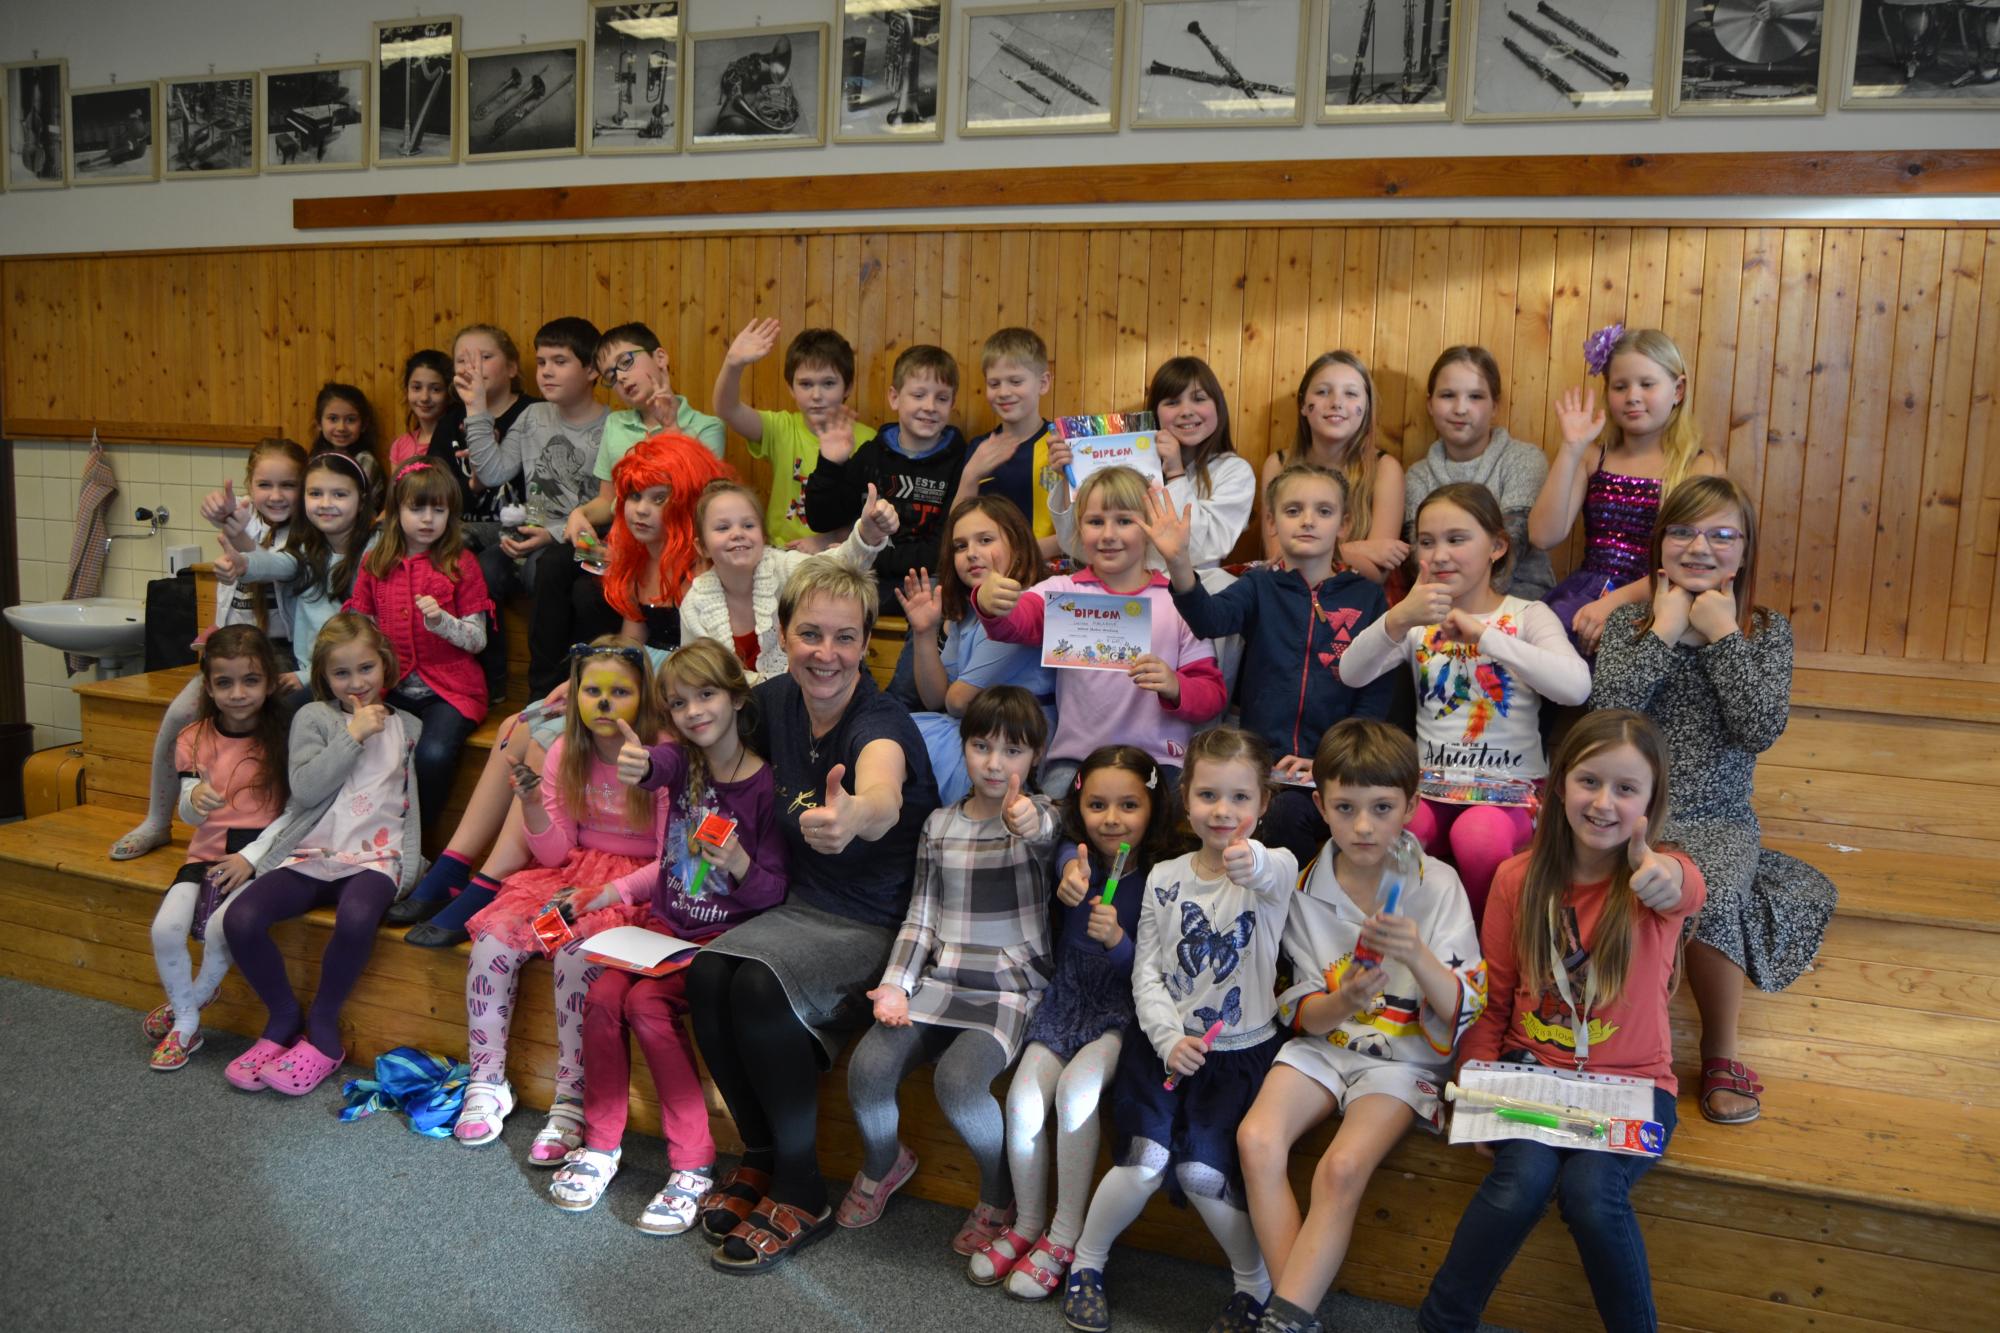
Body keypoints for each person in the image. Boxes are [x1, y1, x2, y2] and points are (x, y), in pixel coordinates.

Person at [680, 558, 939, 1274]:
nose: (827, 653)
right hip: (797, 907)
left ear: (866, 644)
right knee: (707, 974)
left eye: (846, 637)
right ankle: (761, 1156)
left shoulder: (880, 722)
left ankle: (802, 1189)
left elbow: (882, 790)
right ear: (783, 634)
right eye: (811, 634)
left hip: (875, 924)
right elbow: (701, 708)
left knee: (758, 987)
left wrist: (856, 814)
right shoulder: (774, 702)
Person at [1418, 709, 1704, 1333]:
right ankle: (1441, 1323)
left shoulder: (1656, 881)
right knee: (1520, 1180)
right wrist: (1474, 1083)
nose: (1603, 803)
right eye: (1589, 781)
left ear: (1650, 804)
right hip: (1532, 1074)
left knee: (1593, 1196)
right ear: (1558, 784)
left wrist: (1670, 874)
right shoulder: (1515, 880)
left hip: (1638, 1087)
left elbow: (1689, 887)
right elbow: (1493, 1002)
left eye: (1626, 789)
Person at [396, 434, 729, 944]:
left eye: (659, 498)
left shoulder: (702, 569)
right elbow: (629, 647)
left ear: (687, 501)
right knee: (518, 725)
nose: (641, 510)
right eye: (634, 496)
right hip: (635, 684)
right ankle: (454, 864)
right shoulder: (637, 557)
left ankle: (488, 879)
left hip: (675, 701)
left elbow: (698, 668)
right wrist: (581, 683)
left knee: (543, 739)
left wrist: (607, 690)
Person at [1590, 476, 1835, 1126]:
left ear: (1744, 551)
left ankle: (1720, 1052)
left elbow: (1759, 728)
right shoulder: (1629, 624)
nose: (1699, 547)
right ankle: (1600, 1043)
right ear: (1660, 544)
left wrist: (1724, 635)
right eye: (1683, 531)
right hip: (1630, 813)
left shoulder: (1764, 631)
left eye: (1721, 535)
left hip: (1719, 818)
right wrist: (1665, 631)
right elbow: (1608, 717)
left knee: (1716, 889)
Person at [1237, 719, 1485, 1333]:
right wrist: (1344, 998)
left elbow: (1462, 1007)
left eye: (1382, 808)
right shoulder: (1305, 888)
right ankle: (1292, 1317)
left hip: (1403, 1062)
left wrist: (1416, 953)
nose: (1364, 826)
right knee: (1256, 1140)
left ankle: (1284, 1316)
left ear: (1412, 806)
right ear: (1321, 807)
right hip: (1324, 1048)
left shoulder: (1439, 886)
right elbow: (1301, 1014)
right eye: (1345, 808)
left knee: (1342, 1169)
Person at [1064, 728, 1297, 1333]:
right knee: (1143, 1162)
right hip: (1162, 1047)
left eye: (1240, 798)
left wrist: (1250, 858)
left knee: (1200, 1174)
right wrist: (1168, 1040)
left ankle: (1253, 1286)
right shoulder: (1165, 876)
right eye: (1208, 795)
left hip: (1239, 1057)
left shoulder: (1274, 867)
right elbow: (1147, 973)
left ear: (1263, 803)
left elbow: (1270, 871)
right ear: (1186, 797)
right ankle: (1085, 1263)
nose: (1223, 811)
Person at [559, 641, 788, 1228]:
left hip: (719, 945)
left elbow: (773, 893)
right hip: (661, 932)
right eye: (679, 703)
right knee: (603, 996)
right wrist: (639, 767)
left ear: (737, 698)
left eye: (706, 695)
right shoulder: (682, 763)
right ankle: (600, 1144)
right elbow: (657, 765)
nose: (693, 712)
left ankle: (692, 1162)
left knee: (645, 1006)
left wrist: (737, 862)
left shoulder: (766, 787)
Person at [841, 687, 1060, 1255]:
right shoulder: (939, 825)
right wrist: (897, 984)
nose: (995, 763)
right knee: (868, 1066)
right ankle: (884, 1162)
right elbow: (922, 917)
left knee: (959, 1084)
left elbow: (1042, 831)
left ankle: (998, 1193)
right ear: (963, 746)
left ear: (1036, 756)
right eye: (982, 746)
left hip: (1009, 988)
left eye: (1013, 751)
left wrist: (1026, 818)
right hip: (942, 981)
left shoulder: (1038, 816)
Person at [450, 640, 671, 1163]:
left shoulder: (661, 759)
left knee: (575, 957)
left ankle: (571, 1100)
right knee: (496, 942)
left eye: (620, 692)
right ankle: (487, 1081)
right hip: (573, 880)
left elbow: (671, 863)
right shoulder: (566, 752)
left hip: (633, 893)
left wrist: (608, 893)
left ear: (644, 697)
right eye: (592, 691)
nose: (604, 703)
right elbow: (554, 852)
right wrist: (531, 805)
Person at [977, 745, 1182, 1301]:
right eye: (1097, 805)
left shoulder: (1163, 879)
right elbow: (1063, 848)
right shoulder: (1076, 856)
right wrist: (1071, 871)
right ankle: (1027, 1224)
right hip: (1066, 998)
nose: (1112, 819)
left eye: (1128, 805)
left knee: (1076, 1093)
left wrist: (1118, 941)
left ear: (1153, 807)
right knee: (1023, 1099)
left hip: (1124, 1010)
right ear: (1079, 805)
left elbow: (1157, 975)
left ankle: (1064, 1236)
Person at [1339, 484, 1591, 924]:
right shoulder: (1417, 621)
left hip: (1511, 794)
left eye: (1456, 539)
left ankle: (1479, 941)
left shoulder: (1527, 615)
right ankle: (1399, 939)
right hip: (1432, 788)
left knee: (1478, 836)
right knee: (1398, 830)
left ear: (1497, 546)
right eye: (1426, 541)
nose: (1440, 555)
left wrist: (1485, 637)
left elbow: (1575, 687)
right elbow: (1351, 672)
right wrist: (1397, 618)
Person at [220, 614, 427, 1097]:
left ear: (385, 665)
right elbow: (306, 789)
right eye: (341, 673)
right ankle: (283, 1017)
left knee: (356, 917)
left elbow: (408, 806)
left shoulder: (409, 727)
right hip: (313, 851)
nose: (356, 683)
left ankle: (323, 1029)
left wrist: (413, 866)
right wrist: (352, 734)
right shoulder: (314, 717)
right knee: (240, 919)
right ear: (324, 677)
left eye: (366, 668)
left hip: (377, 859)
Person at [1145, 463, 1392, 867]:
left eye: (1324, 511)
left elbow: (1374, 695)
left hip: (1338, 769)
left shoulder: (1367, 598)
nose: (1308, 520)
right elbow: (1208, 619)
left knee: (1291, 817)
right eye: (1293, 510)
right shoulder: (1259, 585)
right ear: (1273, 523)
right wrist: (1179, 562)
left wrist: (1332, 761)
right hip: (1262, 768)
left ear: (1344, 524)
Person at [976, 465, 1228, 796]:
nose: (1108, 534)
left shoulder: (1181, 601)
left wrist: (1175, 685)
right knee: (1054, 818)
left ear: (1149, 528)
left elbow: (1212, 696)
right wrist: (989, 601)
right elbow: (1015, 623)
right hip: (1078, 760)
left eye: (1124, 521)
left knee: (1166, 820)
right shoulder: (1063, 591)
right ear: (1078, 529)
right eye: (1095, 522)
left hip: (1159, 762)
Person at [111, 439, 304, 860]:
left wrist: (237, 537)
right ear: (250, 484)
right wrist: (226, 515)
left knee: (284, 721)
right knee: (180, 713)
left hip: (281, 654)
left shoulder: (308, 534)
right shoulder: (245, 516)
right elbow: (231, 584)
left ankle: (280, 828)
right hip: (234, 649)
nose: (276, 495)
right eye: (265, 484)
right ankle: (157, 820)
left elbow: (272, 565)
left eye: (288, 485)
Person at [1053, 355, 1259, 683]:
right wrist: (1068, 477)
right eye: (1172, 401)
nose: (1186, 410)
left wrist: (1174, 474)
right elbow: (1075, 544)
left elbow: (1202, 547)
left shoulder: (1234, 470)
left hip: (1192, 589)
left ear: (1218, 406)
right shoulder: (1125, 464)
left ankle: (1206, 715)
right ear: (1155, 413)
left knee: (1223, 589)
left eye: (1199, 398)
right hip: (1124, 584)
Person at [142, 627, 292, 1071]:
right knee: (165, 929)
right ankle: (190, 1008)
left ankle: (186, 1021)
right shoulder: (193, 737)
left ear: (270, 682)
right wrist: (193, 800)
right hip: (206, 854)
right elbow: (189, 816)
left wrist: (252, 858)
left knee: (221, 929)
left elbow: (297, 811)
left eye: (251, 680)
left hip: (264, 856)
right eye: (224, 683)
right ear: (208, 686)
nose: (238, 693)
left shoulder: (286, 736)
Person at [1529, 326, 1718, 654]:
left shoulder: (1700, 466)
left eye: (1647, 384)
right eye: (1620, 386)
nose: (1632, 396)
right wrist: (1571, 449)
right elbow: (1542, 536)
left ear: (1678, 390)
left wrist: (1613, 603)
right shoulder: (1594, 457)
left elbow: (1695, 563)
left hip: (1661, 598)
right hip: (1585, 595)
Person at [347, 459, 491, 868]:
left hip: (450, 689)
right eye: (417, 508)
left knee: (433, 754)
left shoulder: (462, 563)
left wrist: (442, 623)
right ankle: (367, 839)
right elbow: (361, 628)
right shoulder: (375, 563)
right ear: (396, 510)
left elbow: (477, 639)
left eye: (438, 510)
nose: (428, 519)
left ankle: (417, 845)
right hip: (391, 686)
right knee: (370, 748)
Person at [461, 316, 610, 697]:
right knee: (484, 568)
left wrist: (552, 534)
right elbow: (493, 472)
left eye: (560, 361)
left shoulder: (612, 426)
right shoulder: (533, 416)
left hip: (581, 541)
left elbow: (608, 506)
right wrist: (476, 409)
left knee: (548, 572)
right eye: (541, 362)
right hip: (529, 533)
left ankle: (549, 689)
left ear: (591, 370)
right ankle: (491, 684)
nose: (546, 371)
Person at [898, 495, 1054, 804]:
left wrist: (951, 699)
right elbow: (934, 698)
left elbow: (957, 701)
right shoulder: (968, 611)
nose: (971, 553)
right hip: (973, 731)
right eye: (960, 546)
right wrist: (925, 632)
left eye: (985, 540)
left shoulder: (1022, 607)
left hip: (1012, 742)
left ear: (1018, 544)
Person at [678, 477, 897, 680]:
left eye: (748, 525)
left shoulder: (782, 567)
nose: (737, 534)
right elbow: (694, 677)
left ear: (763, 536)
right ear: (702, 546)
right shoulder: (694, 606)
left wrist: (867, 534)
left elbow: (837, 566)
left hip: (801, 696)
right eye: (723, 527)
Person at [804, 343, 969, 601]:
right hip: (862, 577)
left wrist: (863, 552)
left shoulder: (959, 463)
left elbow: (941, 551)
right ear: (894, 397)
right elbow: (822, 520)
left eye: (941, 398)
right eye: (918, 395)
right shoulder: (872, 455)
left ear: (952, 403)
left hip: (923, 585)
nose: (930, 406)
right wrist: (830, 464)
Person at [213, 449, 379, 704]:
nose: (325, 503)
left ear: (362, 500)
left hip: (358, 677)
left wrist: (306, 678)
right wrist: (243, 564)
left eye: (339, 494)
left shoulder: (377, 551)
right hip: (312, 672)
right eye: (315, 493)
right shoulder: (307, 548)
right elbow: (276, 563)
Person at [1402, 346, 1554, 601]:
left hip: (1521, 599)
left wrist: (1475, 613)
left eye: (1475, 397)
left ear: (1495, 406)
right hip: (1439, 602)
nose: (1460, 408)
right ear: (1430, 404)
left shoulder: (1523, 460)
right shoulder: (1418, 476)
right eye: (1448, 395)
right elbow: (1420, 561)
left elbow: (1511, 551)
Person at [712, 319, 876, 551]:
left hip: (839, 553)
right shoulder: (781, 427)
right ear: (791, 388)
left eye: (828, 383)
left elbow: (871, 513)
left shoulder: (868, 440)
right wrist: (733, 364)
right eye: (806, 384)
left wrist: (828, 539)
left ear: (847, 387)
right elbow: (727, 409)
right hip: (781, 551)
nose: (816, 395)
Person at [1262, 353, 1406, 585]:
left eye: (1351, 394)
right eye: (1322, 392)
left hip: (1358, 597)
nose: (1336, 402)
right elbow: (1280, 559)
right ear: (1303, 405)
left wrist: (1313, 549)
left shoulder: (1384, 469)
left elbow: (1378, 572)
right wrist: (1359, 549)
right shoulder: (1278, 464)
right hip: (1292, 595)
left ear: (1367, 407)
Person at [949, 327, 1060, 558]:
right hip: (987, 571)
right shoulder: (979, 448)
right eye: (994, 384)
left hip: (1048, 570)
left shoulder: (1062, 445)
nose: (1003, 392)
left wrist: (1016, 555)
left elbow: (1076, 534)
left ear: (1043, 383)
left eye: (1015, 381)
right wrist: (970, 475)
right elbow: (955, 531)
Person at [389, 349, 451, 470]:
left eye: (436, 389)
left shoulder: (456, 442)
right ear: (407, 389)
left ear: (448, 393)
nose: (424, 398)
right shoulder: (400, 445)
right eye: (417, 387)